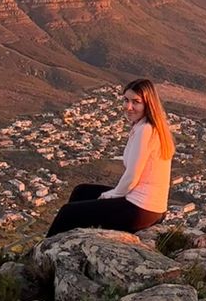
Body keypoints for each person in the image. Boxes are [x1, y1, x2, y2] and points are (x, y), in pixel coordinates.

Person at [45, 78, 175, 237]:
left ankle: (43, 251)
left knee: (67, 213)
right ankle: (69, 242)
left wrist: (112, 195)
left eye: (136, 102)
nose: (129, 107)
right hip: (151, 208)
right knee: (81, 191)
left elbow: (132, 176)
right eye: (126, 100)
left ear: (148, 104)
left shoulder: (145, 130)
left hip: (141, 210)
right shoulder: (146, 126)